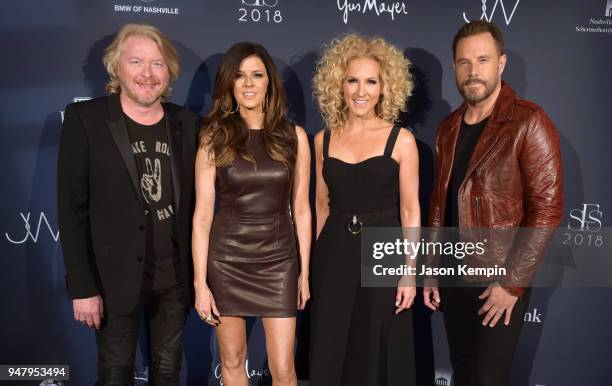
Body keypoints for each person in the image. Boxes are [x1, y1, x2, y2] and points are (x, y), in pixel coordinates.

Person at [57, 23, 200, 385]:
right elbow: (71, 211)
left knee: (168, 371)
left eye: (157, 63)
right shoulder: (85, 120)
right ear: (116, 68)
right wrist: (83, 287)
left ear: (169, 72)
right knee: (115, 373)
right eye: (136, 62)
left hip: (174, 281)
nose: (147, 74)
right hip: (111, 280)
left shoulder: (188, 123)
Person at [423, 20, 563, 386]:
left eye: (482, 60)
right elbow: (439, 202)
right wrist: (433, 268)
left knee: (488, 379)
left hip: (498, 278)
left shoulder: (529, 121)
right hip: (453, 276)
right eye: (464, 62)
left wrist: (512, 284)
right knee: (464, 373)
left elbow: (546, 210)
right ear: (454, 66)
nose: (473, 71)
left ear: (500, 63)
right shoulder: (447, 128)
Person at [192, 42, 311, 386]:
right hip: (227, 260)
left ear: (269, 82)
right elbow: (202, 216)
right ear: (229, 84)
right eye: (240, 76)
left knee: (284, 369)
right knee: (231, 359)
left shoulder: (295, 137)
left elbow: (301, 210)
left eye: (257, 75)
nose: (248, 84)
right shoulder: (213, 137)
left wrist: (303, 273)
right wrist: (201, 283)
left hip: (279, 261)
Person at [309, 34, 420, 386]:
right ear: (337, 84)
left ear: (385, 86)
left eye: (371, 81)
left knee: (376, 347)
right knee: (332, 343)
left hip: (384, 249)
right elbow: (321, 205)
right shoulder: (323, 139)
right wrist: (312, 266)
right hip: (334, 252)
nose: (361, 91)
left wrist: (408, 271)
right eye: (352, 80)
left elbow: (410, 210)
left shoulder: (401, 140)